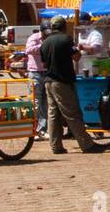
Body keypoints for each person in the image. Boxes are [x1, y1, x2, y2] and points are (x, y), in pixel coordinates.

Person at [39, 15, 98, 154]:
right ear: (64, 26)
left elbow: (43, 63)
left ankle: (56, 146)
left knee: (53, 114)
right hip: (62, 82)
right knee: (72, 113)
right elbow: (77, 57)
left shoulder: (45, 42)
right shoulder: (66, 39)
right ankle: (87, 145)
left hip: (48, 81)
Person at [25, 21, 50, 137]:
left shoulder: (50, 39)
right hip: (35, 73)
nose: (47, 35)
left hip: (47, 73)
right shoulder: (34, 38)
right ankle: (33, 129)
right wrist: (43, 46)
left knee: (45, 103)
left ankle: (42, 129)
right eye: (46, 32)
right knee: (35, 102)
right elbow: (28, 50)